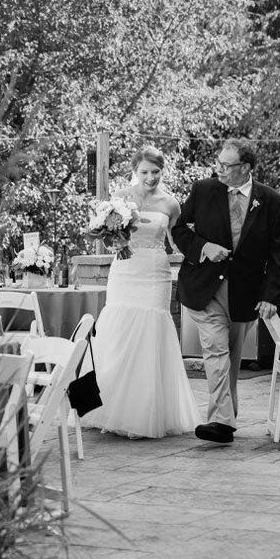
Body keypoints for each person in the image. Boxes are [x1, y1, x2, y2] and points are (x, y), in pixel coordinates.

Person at [172, 139, 280, 444]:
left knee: (231, 357)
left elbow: (279, 254)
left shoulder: (272, 201)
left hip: (245, 292)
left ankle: (225, 419)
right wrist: (204, 248)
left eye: (227, 165)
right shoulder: (203, 190)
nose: (219, 170)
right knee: (216, 350)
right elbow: (179, 230)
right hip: (204, 287)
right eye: (218, 164)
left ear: (245, 168)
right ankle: (221, 421)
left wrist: (270, 296)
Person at [82, 146, 202, 438]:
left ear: (163, 171)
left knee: (151, 332)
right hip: (125, 269)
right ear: (135, 170)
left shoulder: (172, 204)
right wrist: (117, 243)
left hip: (156, 272)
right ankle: (101, 405)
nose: (150, 177)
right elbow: (104, 232)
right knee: (118, 330)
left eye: (156, 172)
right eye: (144, 172)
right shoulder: (120, 198)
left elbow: (178, 240)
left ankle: (145, 410)